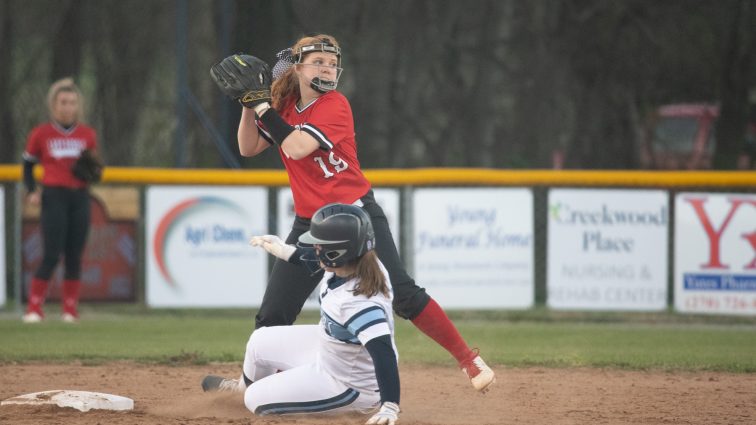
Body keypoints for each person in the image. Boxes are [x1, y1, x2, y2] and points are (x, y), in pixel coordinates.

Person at [211, 33, 494, 392]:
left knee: (403, 295)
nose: (328, 68)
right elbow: (248, 147)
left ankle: (469, 360)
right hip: (310, 222)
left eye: (332, 63)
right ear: (297, 67)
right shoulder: (284, 105)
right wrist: (247, 104)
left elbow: (298, 148)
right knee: (273, 313)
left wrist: (263, 107)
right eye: (318, 61)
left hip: (356, 218)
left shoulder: (335, 105)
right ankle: (253, 384)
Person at [204, 203, 402, 424]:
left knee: (255, 399)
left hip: (349, 384)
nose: (315, 248)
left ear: (337, 252)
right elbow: (318, 258)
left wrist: (390, 405)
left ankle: (360, 407)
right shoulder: (357, 262)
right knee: (260, 339)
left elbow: (384, 353)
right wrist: (285, 251)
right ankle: (242, 387)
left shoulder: (359, 303)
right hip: (332, 349)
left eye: (320, 245)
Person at [21, 77, 99, 323]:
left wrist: (93, 171)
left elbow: (93, 167)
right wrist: (32, 189)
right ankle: (34, 308)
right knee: (52, 253)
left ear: (78, 106)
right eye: (63, 102)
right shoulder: (41, 133)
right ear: (54, 105)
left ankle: (70, 310)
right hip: (54, 195)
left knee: (75, 254)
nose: (67, 107)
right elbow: (28, 164)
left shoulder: (87, 134)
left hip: (79, 196)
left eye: (72, 102)